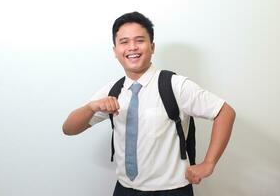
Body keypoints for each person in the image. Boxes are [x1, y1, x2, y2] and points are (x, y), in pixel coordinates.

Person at [62, 11, 236, 196]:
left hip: (171, 190)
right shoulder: (112, 90)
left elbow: (225, 112)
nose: (132, 47)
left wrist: (209, 163)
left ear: (152, 47)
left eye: (139, 40)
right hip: (125, 189)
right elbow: (69, 129)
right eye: (124, 42)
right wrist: (91, 108)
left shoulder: (174, 85)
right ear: (115, 51)